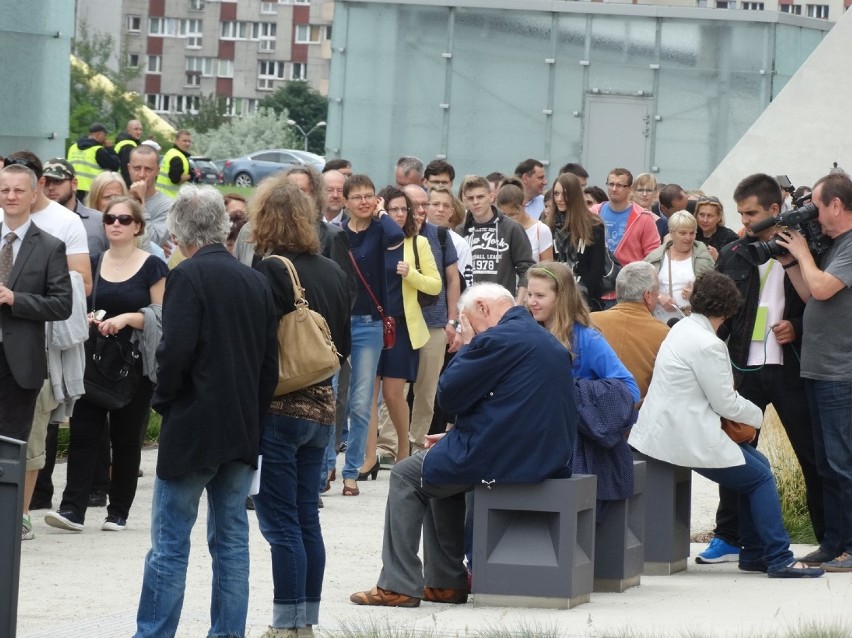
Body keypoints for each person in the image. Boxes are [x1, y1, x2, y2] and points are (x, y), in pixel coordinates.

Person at [350, 283, 578, 607]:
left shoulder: (495, 339)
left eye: (465, 320)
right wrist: (457, 435)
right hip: (544, 454)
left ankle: (398, 585)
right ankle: (444, 582)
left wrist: (471, 343)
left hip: (503, 457)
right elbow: (511, 405)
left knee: (403, 475)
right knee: (438, 469)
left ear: (483, 309)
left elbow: (450, 395)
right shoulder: (541, 337)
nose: (462, 329)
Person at [134, 185, 278, 637]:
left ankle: (154, 633)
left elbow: (174, 353)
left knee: (170, 544)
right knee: (232, 541)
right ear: (222, 226)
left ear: (176, 231)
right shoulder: (254, 279)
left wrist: (164, 401)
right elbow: (268, 366)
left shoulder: (187, 277)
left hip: (193, 426)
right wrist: (254, 420)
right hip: (240, 427)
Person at [629, 271, 824, 579]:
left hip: (664, 431)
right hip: (685, 437)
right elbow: (726, 404)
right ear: (730, 308)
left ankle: (755, 554)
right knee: (759, 478)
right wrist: (759, 417)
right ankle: (778, 558)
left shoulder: (682, 329)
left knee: (756, 469)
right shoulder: (709, 344)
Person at [696, 173, 824, 566]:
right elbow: (723, 311)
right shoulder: (737, 251)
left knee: (811, 455)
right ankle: (729, 536)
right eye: (740, 213)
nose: (746, 221)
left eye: (751, 213)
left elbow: (825, 304)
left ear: (775, 210)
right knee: (734, 453)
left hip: (791, 368)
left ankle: (829, 540)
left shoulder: (808, 249)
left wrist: (797, 327)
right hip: (743, 369)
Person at [251, 181, 351, 638]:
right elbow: (342, 346)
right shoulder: (332, 270)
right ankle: (305, 620)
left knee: (280, 520)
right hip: (323, 408)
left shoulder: (269, 268)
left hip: (281, 408)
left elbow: (260, 346)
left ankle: (285, 622)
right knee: (306, 516)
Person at [45, 196, 167, 533]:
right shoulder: (95, 262)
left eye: (124, 219)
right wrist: (86, 318)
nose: (116, 224)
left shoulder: (153, 266)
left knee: (126, 440)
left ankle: (118, 512)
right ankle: (73, 510)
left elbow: (161, 315)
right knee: (84, 435)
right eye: (110, 218)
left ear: (138, 226)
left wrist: (128, 317)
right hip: (94, 359)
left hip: (134, 364)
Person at [776, 172, 852, 572]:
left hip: (841, 372)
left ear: (837, 205)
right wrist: (791, 262)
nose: (814, 215)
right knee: (825, 464)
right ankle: (832, 543)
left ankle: (850, 548)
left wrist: (804, 252)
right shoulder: (838, 246)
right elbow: (811, 296)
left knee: (842, 464)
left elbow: (822, 288)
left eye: (818, 207)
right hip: (819, 370)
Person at [360, 186, 441, 477]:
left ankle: (403, 451)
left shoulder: (417, 243)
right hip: (370, 325)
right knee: (368, 394)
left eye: (402, 209)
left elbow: (435, 286)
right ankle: (369, 458)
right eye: (392, 209)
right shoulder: (371, 241)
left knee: (394, 394)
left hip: (402, 327)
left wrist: (412, 274)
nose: (398, 214)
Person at [0, 163, 72, 469]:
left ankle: (7, 516)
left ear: (34, 193)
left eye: (18, 190)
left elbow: (61, 305)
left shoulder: (49, 247)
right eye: (5, 190)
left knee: (11, 449)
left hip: (19, 363)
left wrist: (17, 299)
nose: (11, 196)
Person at [339, 175, 405, 496]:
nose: (364, 201)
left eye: (370, 196)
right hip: (337, 323)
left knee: (361, 400)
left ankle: (351, 472)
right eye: (358, 197)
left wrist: (381, 213)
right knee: (335, 397)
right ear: (345, 201)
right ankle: (326, 467)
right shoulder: (336, 233)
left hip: (369, 324)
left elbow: (397, 234)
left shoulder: (380, 230)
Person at [526, 262, 639, 402]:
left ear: (561, 297)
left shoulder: (587, 338)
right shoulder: (527, 332)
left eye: (540, 296)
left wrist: (578, 391)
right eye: (529, 294)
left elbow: (630, 390)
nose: (531, 302)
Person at [590, 261, 669, 401]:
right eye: (658, 292)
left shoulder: (589, 322)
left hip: (590, 414)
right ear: (648, 295)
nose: (658, 297)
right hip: (639, 415)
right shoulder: (664, 333)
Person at [455, 175, 534, 303]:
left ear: (491, 197)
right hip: (470, 306)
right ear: (464, 200)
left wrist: (518, 305)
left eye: (480, 197)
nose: (475, 202)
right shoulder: (460, 231)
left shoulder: (512, 228)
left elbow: (527, 270)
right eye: (471, 198)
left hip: (502, 306)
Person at [547, 172, 607, 310]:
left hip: (585, 298)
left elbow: (596, 269)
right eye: (556, 194)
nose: (560, 199)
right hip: (554, 296)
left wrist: (576, 293)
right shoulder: (547, 225)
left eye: (565, 194)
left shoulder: (594, 225)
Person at [644, 210, 714, 319]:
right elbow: (641, 288)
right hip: (659, 322)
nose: (688, 238)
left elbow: (714, 291)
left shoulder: (703, 258)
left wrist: (696, 295)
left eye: (692, 233)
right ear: (671, 233)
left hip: (693, 322)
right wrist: (658, 297)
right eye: (683, 233)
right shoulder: (654, 258)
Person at [42, 158, 108, 257]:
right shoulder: (35, 221)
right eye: (46, 183)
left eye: (57, 181)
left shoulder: (99, 221)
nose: (51, 187)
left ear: (74, 184)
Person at [496, 183, 554, 263]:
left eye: (511, 215)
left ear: (521, 207)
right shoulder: (498, 229)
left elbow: (547, 267)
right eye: (504, 215)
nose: (507, 220)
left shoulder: (541, 230)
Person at [66, 122, 120, 203]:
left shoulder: (73, 147)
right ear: (98, 135)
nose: (106, 138)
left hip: (73, 189)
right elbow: (115, 165)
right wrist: (110, 148)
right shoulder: (98, 150)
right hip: (91, 191)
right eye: (105, 135)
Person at [695, 195, 739, 261]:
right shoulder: (692, 234)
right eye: (701, 215)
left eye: (710, 216)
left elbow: (737, 266)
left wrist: (718, 258)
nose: (705, 220)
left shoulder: (730, 238)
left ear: (719, 217)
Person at [156, 129, 193, 198]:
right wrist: (190, 175)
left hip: (160, 195)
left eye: (189, 141)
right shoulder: (177, 157)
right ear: (176, 141)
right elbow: (175, 179)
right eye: (184, 141)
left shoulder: (171, 152)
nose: (187, 143)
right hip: (171, 199)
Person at [114, 119, 143, 187]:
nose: (139, 132)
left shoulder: (125, 142)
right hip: (125, 185)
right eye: (136, 129)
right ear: (128, 130)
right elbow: (127, 170)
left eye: (140, 129)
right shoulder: (128, 146)